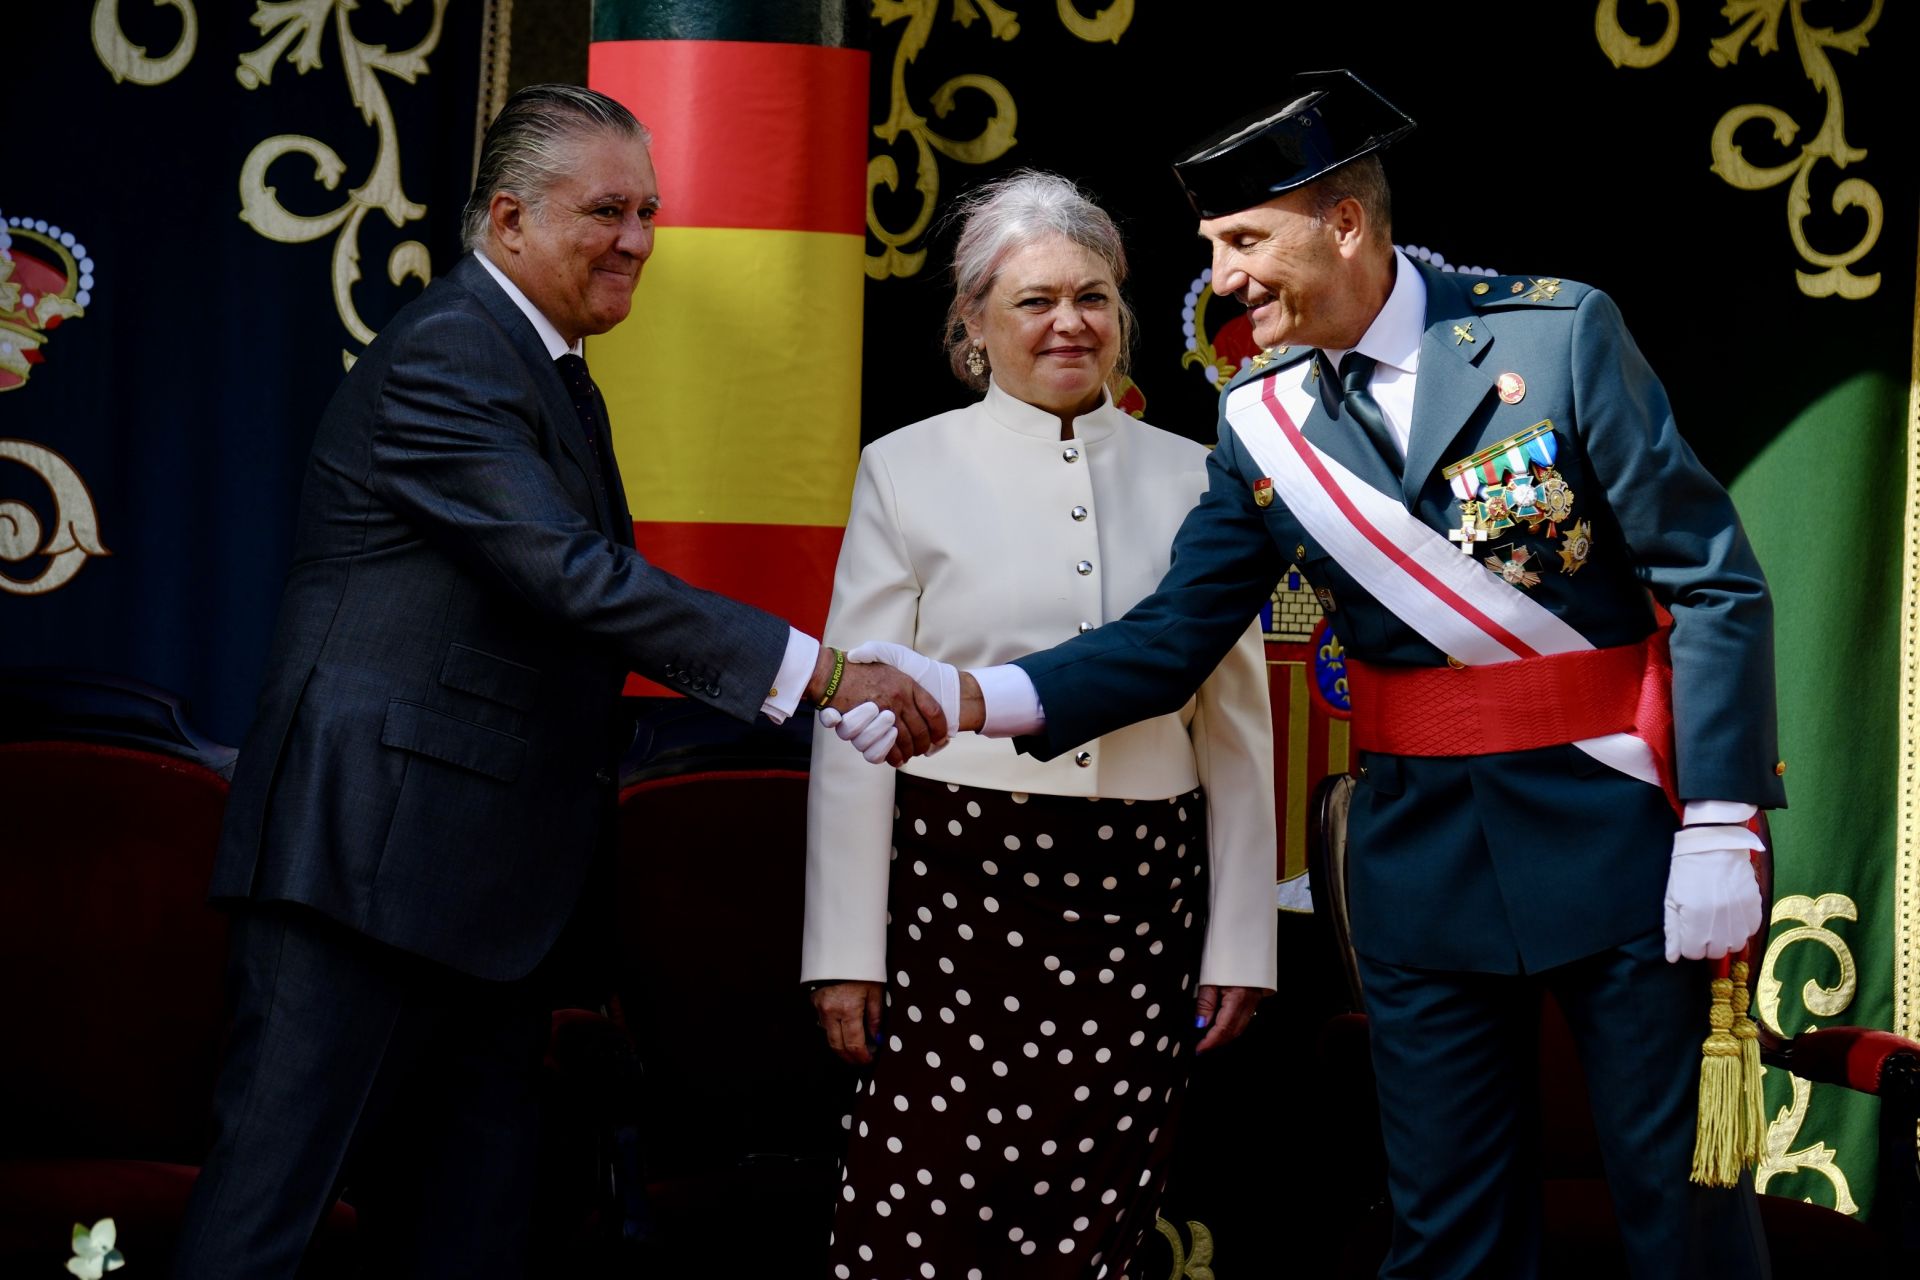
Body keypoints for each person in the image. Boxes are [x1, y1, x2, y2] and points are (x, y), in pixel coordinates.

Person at [865, 72, 1785, 1278]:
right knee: (1447, 1237)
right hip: (1421, 872)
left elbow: (1712, 577)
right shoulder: (1263, 418)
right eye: (1215, 245)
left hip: (1620, 839)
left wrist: (1719, 816)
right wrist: (978, 694)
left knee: (1684, 1223)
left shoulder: (1554, 336)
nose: (1227, 279)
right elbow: (1172, 633)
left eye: (1247, 241)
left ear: (1344, 224)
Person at [170, 84, 937, 1280]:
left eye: (650, 210)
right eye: (607, 210)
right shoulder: (452, 355)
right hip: (366, 875)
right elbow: (577, 578)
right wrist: (827, 672)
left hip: (484, 894)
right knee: (262, 1227)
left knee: (471, 1236)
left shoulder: (548, 367)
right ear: (511, 219)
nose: (637, 238)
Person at [804, 171, 1278, 1279]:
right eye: (1033, 300)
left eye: (1095, 294)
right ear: (972, 322)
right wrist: (842, 949)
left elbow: (1240, 734)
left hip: (1139, 899)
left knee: (1096, 1217)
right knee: (918, 1206)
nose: (1071, 321)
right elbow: (854, 722)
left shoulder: (1207, 475)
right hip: (956, 894)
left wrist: (1241, 942)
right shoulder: (901, 468)